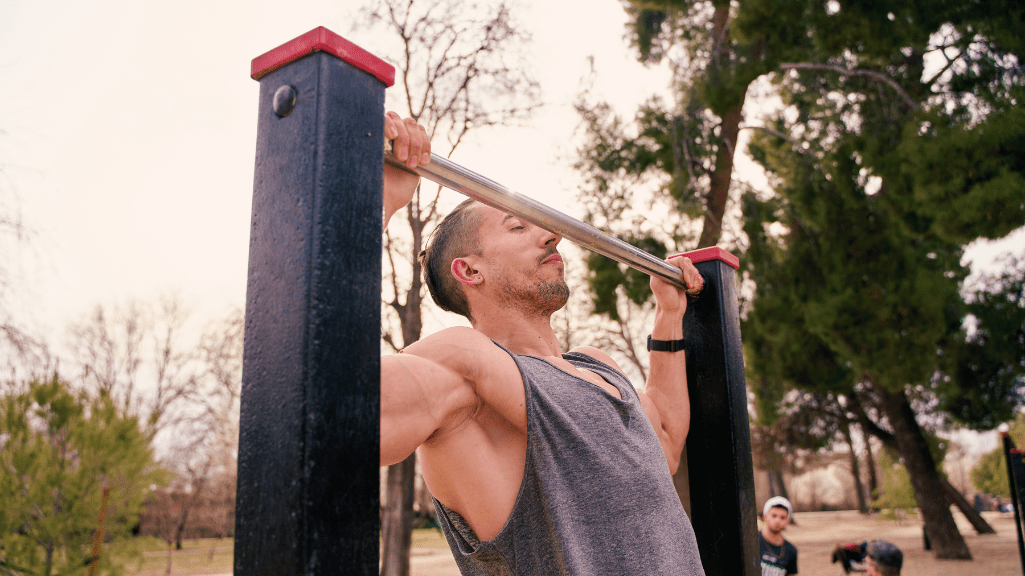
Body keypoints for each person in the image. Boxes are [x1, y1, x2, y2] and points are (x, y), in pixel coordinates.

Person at [379, 112, 707, 575]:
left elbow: (668, 442)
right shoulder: (464, 364)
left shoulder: (597, 365)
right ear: (471, 271)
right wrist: (377, 201)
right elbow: (337, 420)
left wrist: (669, 314)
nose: (552, 234)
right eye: (517, 227)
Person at [758, 496, 798, 576]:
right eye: (774, 515)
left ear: (787, 521)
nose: (778, 520)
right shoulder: (752, 541)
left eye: (782, 517)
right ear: (765, 516)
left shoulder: (791, 550)